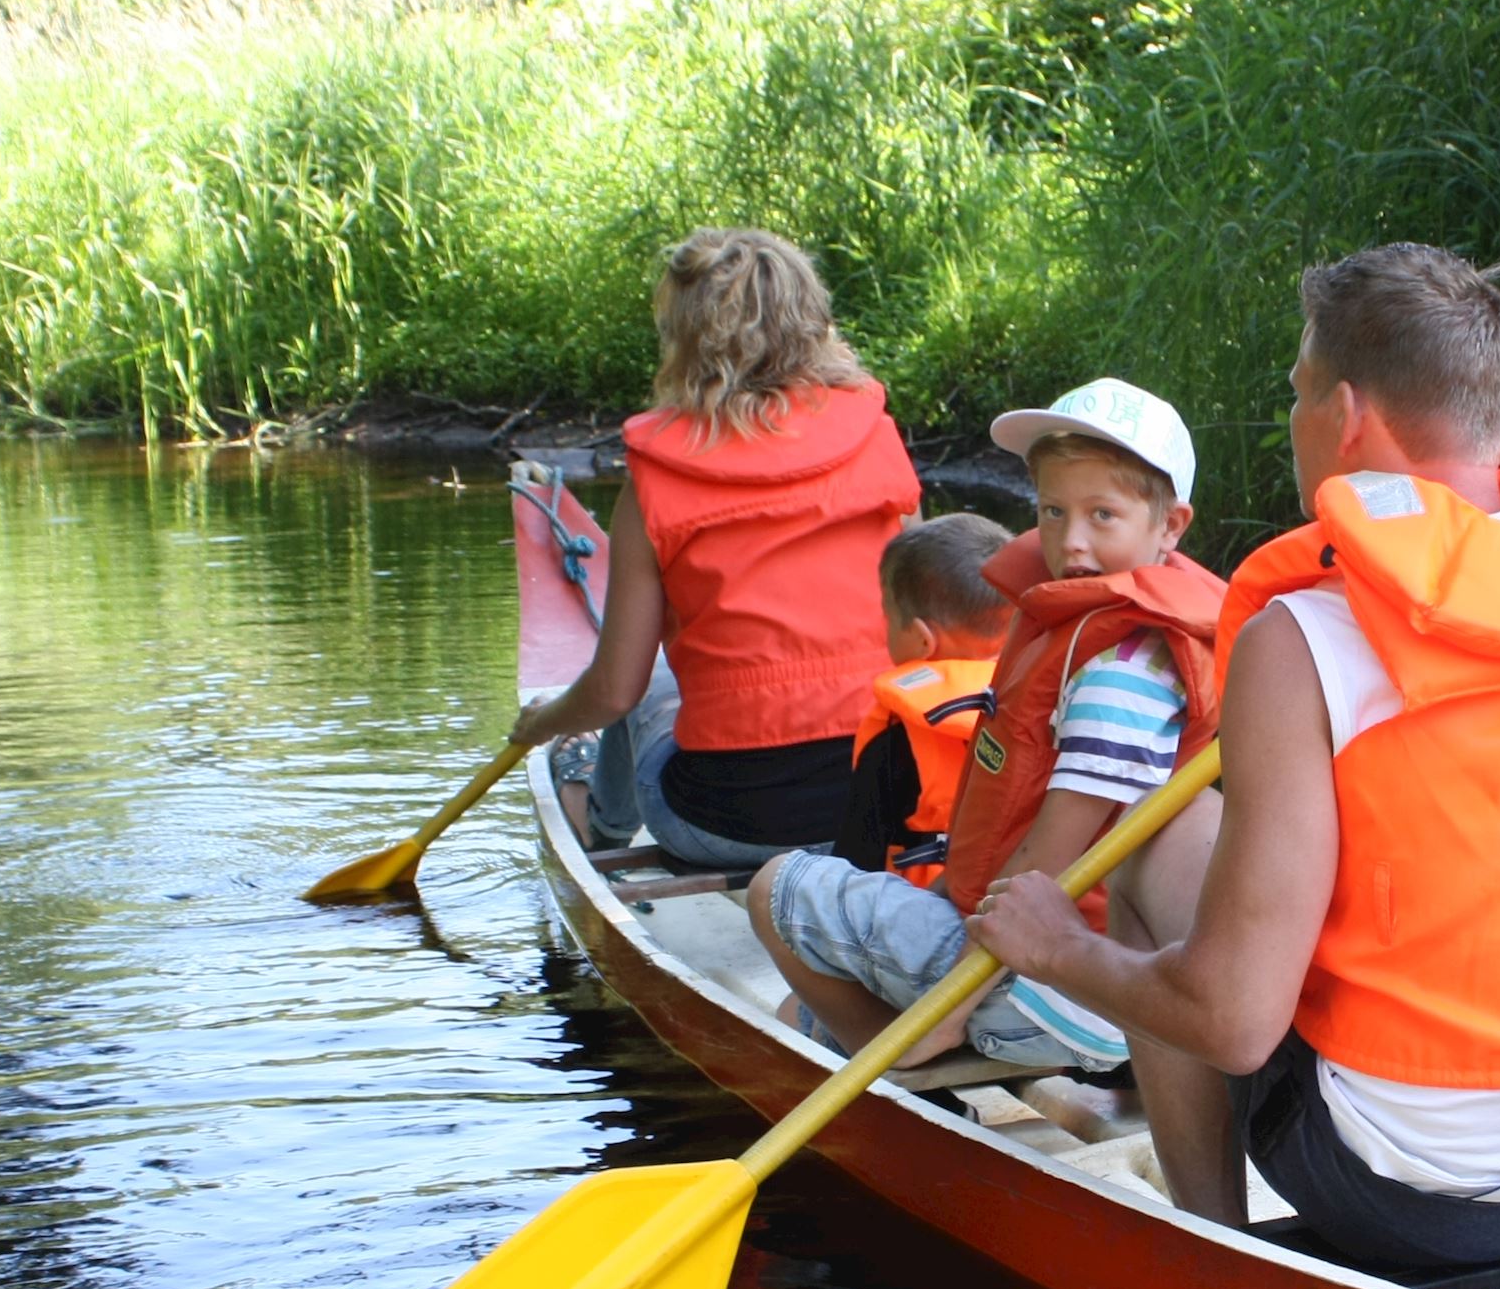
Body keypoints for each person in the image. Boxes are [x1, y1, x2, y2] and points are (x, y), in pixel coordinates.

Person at [963, 245, 1500, 1270]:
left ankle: (1217, 1247)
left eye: (1295, 394)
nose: (1292, 420)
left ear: (1346, 414)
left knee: (1162, 841)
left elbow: (1234, 1025)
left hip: (1413, 1188)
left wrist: (1062, 947)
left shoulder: (1306, 634)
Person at [751, 377, 1225, 1072]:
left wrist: (952, 1003)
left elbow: (1055, 861)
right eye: (1053, 511)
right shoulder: (1105, 629)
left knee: (773, 888)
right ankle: (889, 1032)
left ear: (1170, 525)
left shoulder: (1123, 667)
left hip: (1055, 996)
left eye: (1103, 516)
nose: (1072, 542)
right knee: (802, 1001)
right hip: (1080, 987)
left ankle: (899, 1052)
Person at [510, 229, 922, 869]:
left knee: (643, 680)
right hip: (890, 808)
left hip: (723, 822)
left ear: (685, 335)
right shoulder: (881, 446)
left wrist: (542, 725)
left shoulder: (654, 485)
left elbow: (614, 692)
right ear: (812, 319)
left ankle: (601, 832)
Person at [836, 511, 1016, 886]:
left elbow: (857, 857)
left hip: (921, 909)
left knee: (786, 881)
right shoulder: (1037, 697)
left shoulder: (896, 733)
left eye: (887, 615)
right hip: (1011, 897)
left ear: (923, 640)